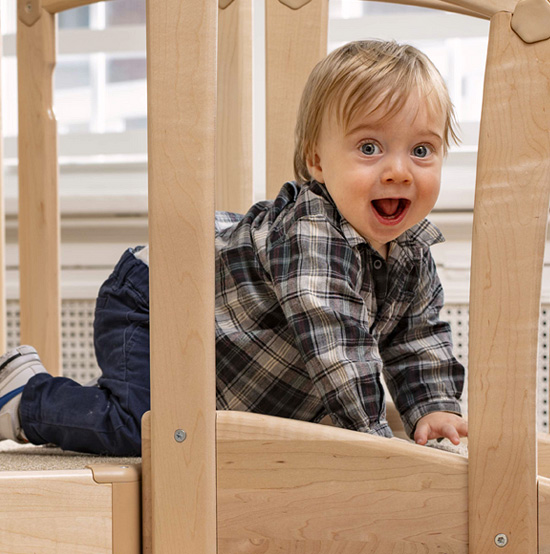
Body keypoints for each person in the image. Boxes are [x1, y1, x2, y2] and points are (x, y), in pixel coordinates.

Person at [0, 40, 467, 456]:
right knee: (145, 428)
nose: (399, 172)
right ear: (317, 161)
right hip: (157, 299)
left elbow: (417, 339)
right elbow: (335, 343)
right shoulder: (311, 233)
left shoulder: (412, 253)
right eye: (370, 148)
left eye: (422, 151)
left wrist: (433, 409)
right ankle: (27, 396)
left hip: (225, 339)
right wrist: (372, 440)